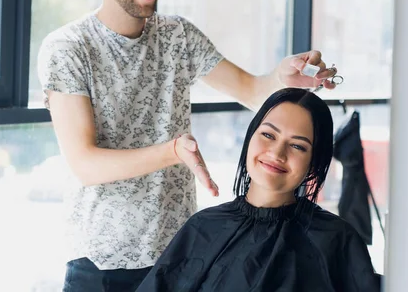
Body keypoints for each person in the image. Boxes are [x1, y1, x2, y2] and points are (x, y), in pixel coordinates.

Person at [37, 0, 338, 291]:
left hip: (179, 256)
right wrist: (174, 151)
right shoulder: (69, 48)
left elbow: (250, 90)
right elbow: (85, 163)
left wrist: (283, 78)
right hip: (101, 262)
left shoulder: (177, 35)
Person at [136, 88, 380, 292]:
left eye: (297, 145)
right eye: (268, 135)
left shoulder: (336, 239)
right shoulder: (202, 227)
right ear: (250, 137)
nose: (277, 153)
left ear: (314, 162)